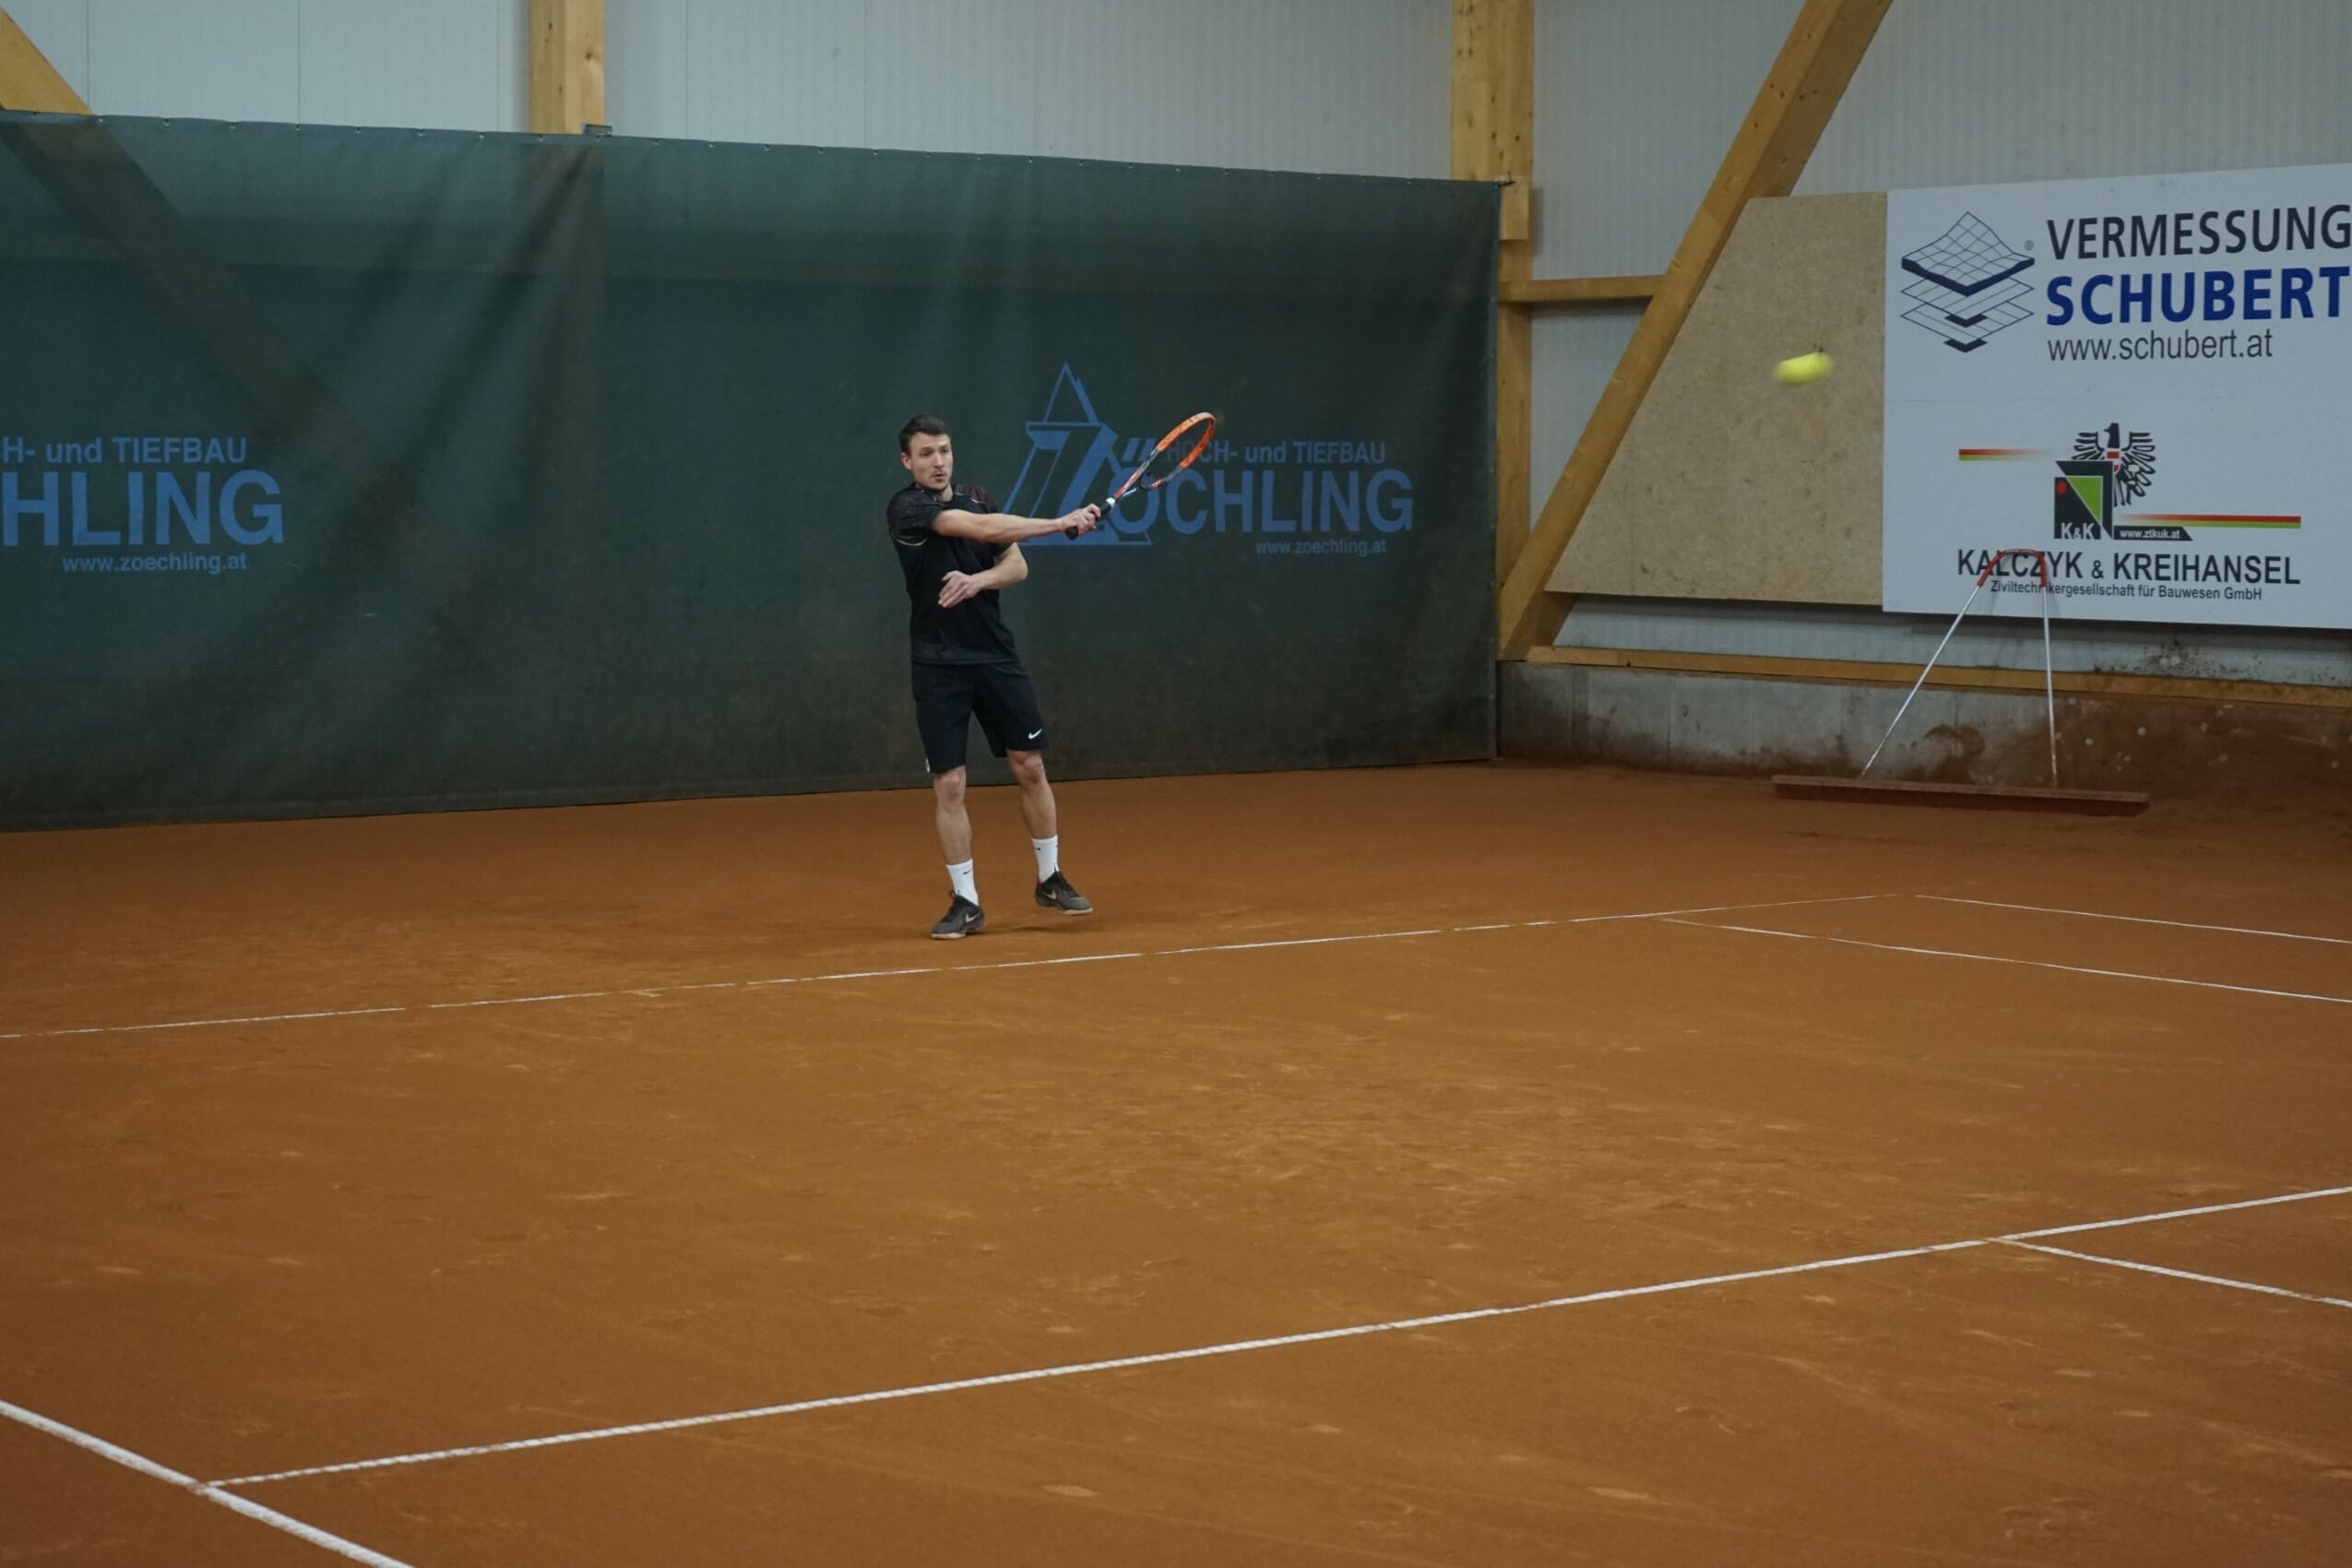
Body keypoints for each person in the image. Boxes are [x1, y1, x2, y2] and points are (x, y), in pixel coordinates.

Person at [886, 414, 1100, 939]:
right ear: (907, 461)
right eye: (926, 453)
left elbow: (1016, 566)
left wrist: (978, 580)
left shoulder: (979, 497)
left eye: (944, 450)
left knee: (1030, 766)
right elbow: (980, 530)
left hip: (995, 656)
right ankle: (965, 901)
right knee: (951, 783)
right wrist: (1061, 522)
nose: (938, 462)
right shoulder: (907, 508)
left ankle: (1050, 878)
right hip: (938, 662)